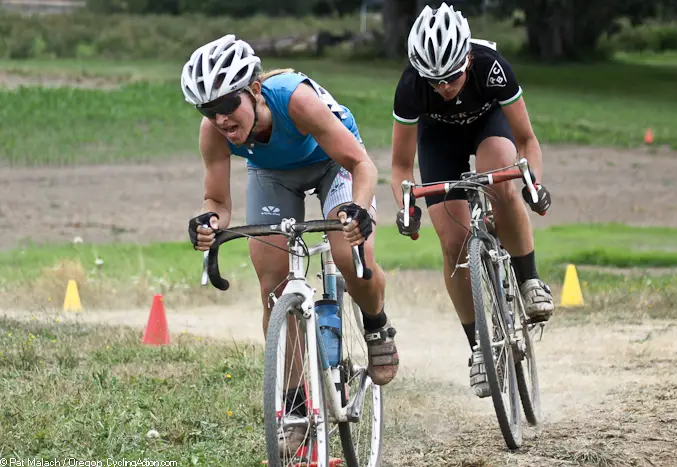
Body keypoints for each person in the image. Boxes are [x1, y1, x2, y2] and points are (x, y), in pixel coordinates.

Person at [180, 34, 399, 453]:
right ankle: (295, 403)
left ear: (255, 89)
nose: (222, 119)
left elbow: (361, 164)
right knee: (271, 283)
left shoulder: (295, 100)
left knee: (348, 254)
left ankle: (376, 326)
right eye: (210, 110)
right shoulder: (213, 131)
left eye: (228, 105)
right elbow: (218, 202)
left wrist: (359, 209)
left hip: (334, 162)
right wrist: (209, 222)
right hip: (274, 175)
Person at [390, 3, 554, 398]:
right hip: (439, 141)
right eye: (435, 81)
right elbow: (399, 166)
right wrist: (406, 207)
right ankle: (479, 346)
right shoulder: (412, 87)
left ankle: (529, 278)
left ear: (467, 57)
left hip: (488, 125)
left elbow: (528, 142)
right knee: (452, 242)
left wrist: (532, 184)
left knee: (503, 181)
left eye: (452, 76)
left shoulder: (491, 67)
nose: (445, 87)